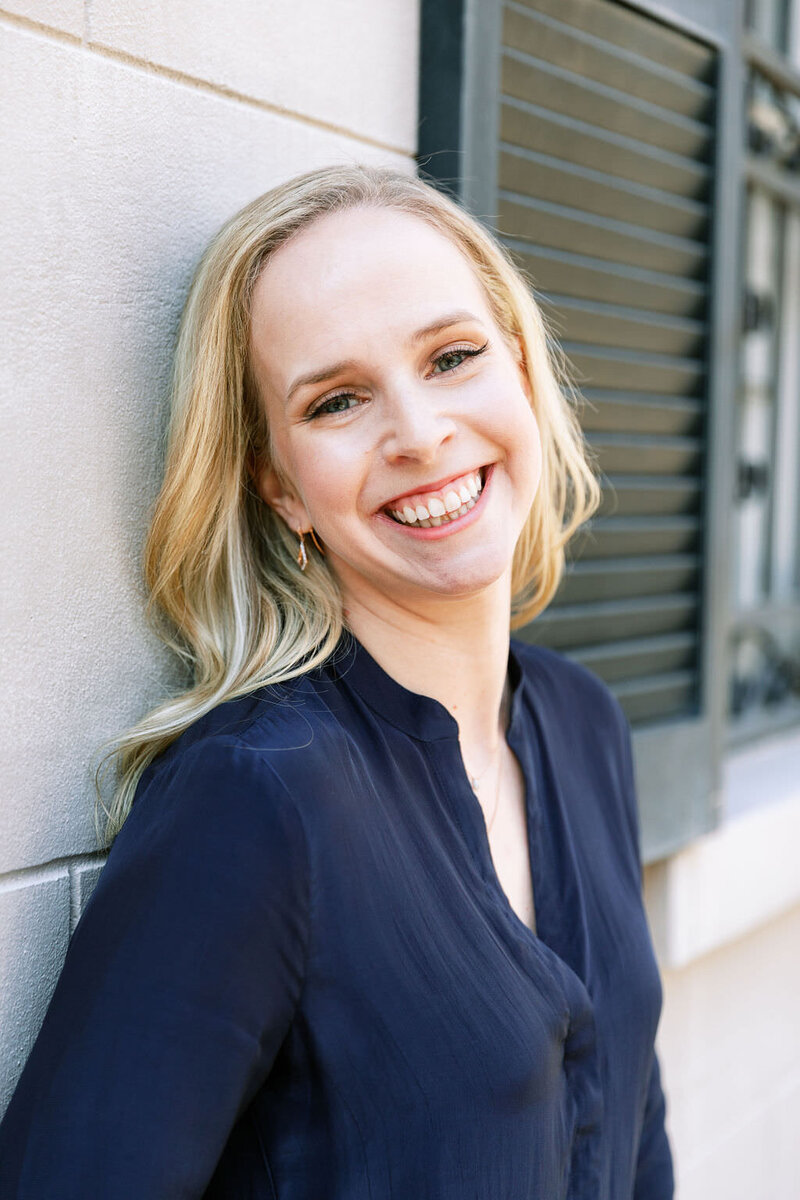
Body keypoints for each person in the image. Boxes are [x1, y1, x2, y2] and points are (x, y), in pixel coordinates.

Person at [0, 163, 674, 1198]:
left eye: (451, 357)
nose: (416, 433)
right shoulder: (255, 796)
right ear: (279, 488)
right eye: (337, 400)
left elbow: (633, 1148)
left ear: (523, 376)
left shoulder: (583, 726)